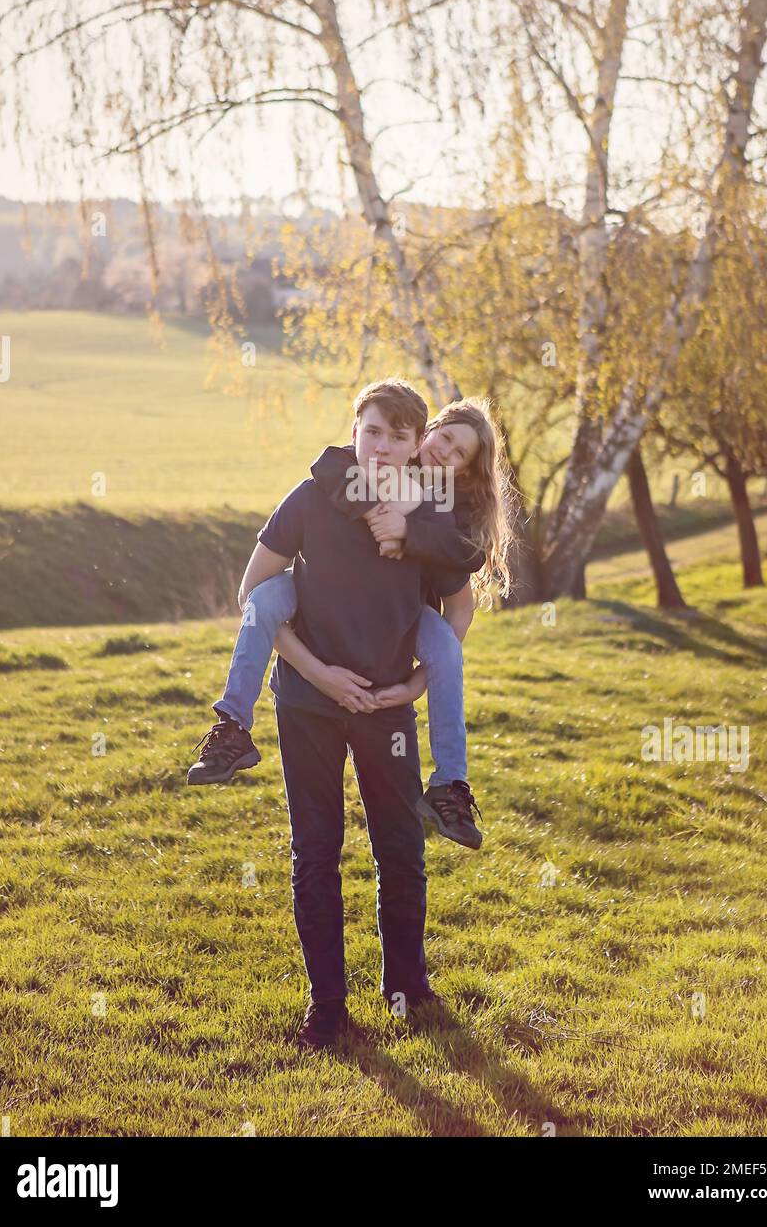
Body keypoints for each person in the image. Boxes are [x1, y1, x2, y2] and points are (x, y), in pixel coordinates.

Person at [195, 378, 473, 1049]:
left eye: (398, 436)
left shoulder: (428, 520)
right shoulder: (312, 495)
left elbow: (458, 606)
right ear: (354, 431)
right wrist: (317, 673)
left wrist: (411, 689)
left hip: (385, 711)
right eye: (371, 430)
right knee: (315, 853)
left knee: (401, 851)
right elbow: (252, 591)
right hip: (307, 706)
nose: (380, 446)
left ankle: (407, 987)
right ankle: (327, 1008)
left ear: (414, 449)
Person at [188, 393, 516, 851]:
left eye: (460, 453)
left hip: (399, 619)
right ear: (428, 435)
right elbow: (329, 464)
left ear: (465, 470)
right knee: (262, 601)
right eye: (445, 438)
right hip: (311, 593)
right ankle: (232, 728)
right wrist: (372, 508)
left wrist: (407, 532)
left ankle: (450, 785)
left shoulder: (443, 508)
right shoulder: (348, 471)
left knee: (442, 646)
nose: (445, 452)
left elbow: (468, 555)